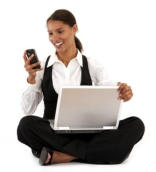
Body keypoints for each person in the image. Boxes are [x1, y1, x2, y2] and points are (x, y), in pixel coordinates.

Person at [17, 9, 145, 165]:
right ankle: (99, 152)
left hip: (88, 132)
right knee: (25, 125)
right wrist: (31, 78)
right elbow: (27, 110)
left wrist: (123, 92)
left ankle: (64, 155)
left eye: (60, 31)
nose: (54, 38)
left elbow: (111, 92)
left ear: (74, 29)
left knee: (136, 125)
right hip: (54, 133)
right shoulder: (42, 67)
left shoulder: (92, 64)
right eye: (50, 33)